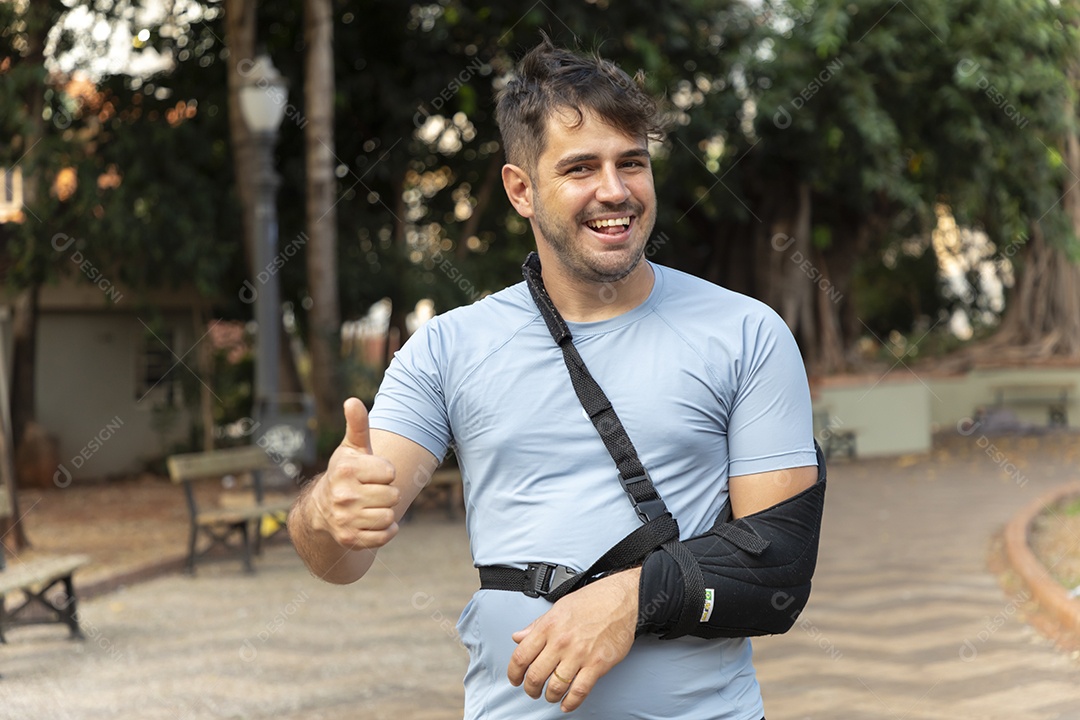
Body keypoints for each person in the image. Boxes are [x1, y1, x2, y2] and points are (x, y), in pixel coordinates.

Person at [288, 37, 819, 720]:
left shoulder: (745, 333)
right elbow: (337, 562)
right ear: (521, 190)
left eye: (632, 162)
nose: (615, 190)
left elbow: (775, 569)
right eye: (580, 168)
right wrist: (328, 511)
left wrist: (632, 600)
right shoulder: (447, 349)